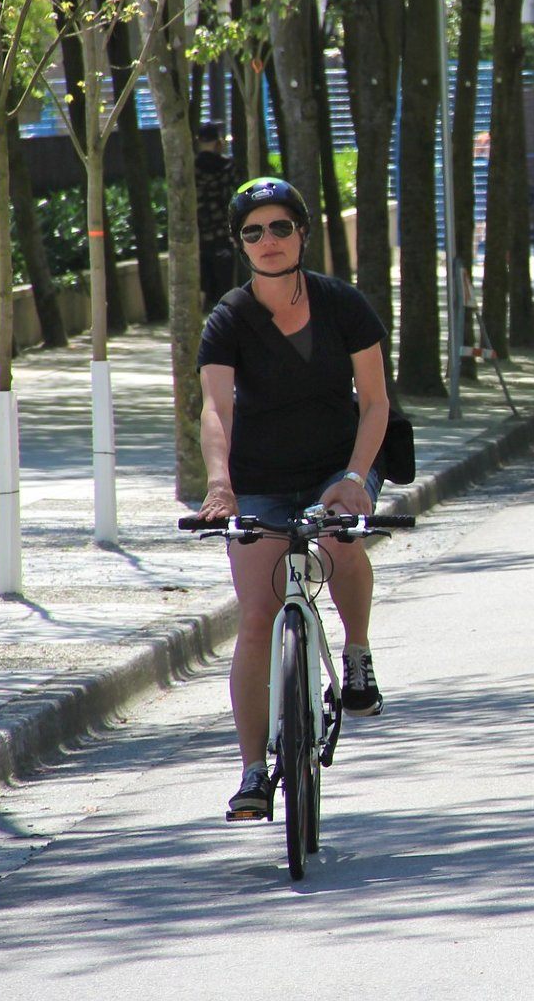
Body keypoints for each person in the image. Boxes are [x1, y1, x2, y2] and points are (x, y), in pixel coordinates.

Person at [194, 177, 395, 821]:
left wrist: (357, 478)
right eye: (253, 232)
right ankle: (254, 770)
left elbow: (376, 402)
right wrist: (221, 485)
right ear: (240, 245)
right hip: (258, 474)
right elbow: (216, 407)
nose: (269, 241)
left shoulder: (344, 305)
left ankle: (357, 656)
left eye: (281, 227)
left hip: (339, 464)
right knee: (256, 615)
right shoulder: (228, 318)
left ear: (303, 232)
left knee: (341, 540)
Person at [195, 123, 240, 302]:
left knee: (203, 282)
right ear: (218, 142)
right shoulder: (228, 167)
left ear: (198, 141)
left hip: (198, 234)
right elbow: (238, 192)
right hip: (222, 232)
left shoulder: (191, 168)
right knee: (225, 282)